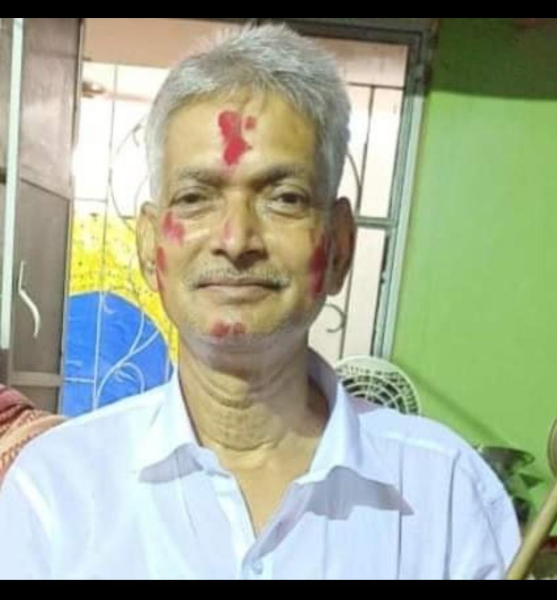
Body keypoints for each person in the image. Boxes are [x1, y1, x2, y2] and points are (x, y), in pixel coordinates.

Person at [0, 24, 520, 580]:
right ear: (150, 246)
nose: (236, 239)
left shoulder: (444, 495)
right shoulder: (56, 489)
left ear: (340, 245)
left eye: (284, 198)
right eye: (196, 197)